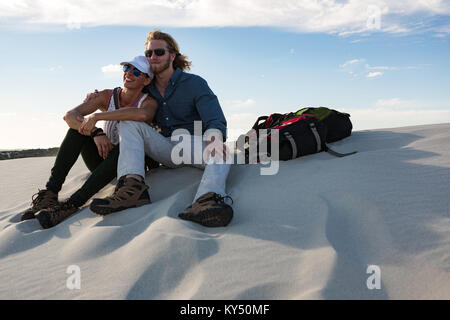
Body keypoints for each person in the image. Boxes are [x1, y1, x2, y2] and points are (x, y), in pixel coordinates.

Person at [88, 30, 234, 227]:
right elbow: (122, 94)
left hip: (191, 145)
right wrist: (95, 98)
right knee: (130, 122)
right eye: (149, 54)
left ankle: (206, 200)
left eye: (159, 52)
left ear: (172, 56)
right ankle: (132, 188)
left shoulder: (194, 83)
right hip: (163, 146)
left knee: (222, 153)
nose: (153, 57)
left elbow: (214, 118)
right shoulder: (146, 88)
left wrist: (214, 137)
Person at [21, 56, 157, 229]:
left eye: (136, 72)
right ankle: (50, 193)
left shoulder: (148, 103)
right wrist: (95, 131)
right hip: (102, 160)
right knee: (77, 129)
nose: (129, 74)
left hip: (128, 168)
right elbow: (70, 116)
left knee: (122, 148)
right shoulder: (108, 96)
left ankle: (71, 204)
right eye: (127, 68)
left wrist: (97, 117)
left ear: (147, 80)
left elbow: (143, 115)